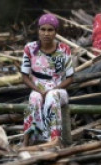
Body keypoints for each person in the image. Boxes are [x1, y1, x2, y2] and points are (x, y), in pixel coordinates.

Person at [20, 14, 75, 147]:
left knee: (51, 96)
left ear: (56, 32)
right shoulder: (30, 49)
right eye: (43, 29)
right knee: (34, 97)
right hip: (37, 88)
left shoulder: (64, 49)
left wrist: (54, 89)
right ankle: (28, 139)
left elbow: (70, 78)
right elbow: (24, 76)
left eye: (50, 30)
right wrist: (38, 90)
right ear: (38, 30)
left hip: (58, 90)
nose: (46, 33)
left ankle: (54, 139)